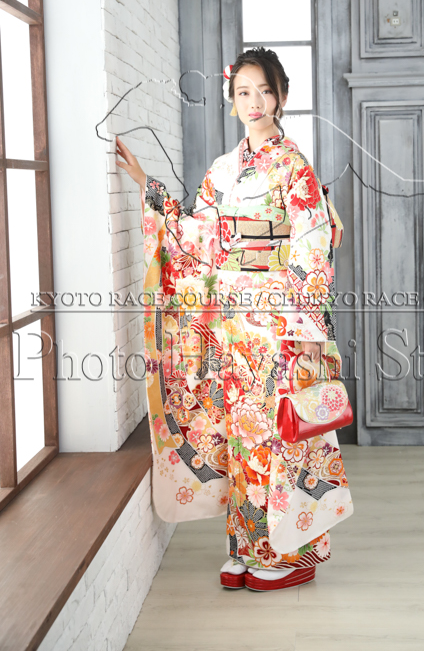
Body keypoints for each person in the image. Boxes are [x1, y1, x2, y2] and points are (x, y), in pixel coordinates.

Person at [116, 46, 353, 592]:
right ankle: (246, 547)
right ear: (231, 101)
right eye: (243, 92)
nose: (254, 102)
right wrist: (149, 187)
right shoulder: (222, 170)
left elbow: (313, 244)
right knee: (241, 430)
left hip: (280, 317)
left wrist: (307, 325)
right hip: (232, 319)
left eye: (264, 91)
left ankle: (292, 552)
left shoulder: (294, 166)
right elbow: (198, 237)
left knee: (279, 430)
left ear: (282, 97)